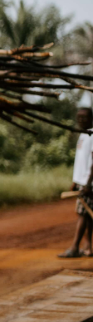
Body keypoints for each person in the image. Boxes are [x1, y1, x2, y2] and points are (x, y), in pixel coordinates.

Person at [60, 107, 93, 258]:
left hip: (89, 183)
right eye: (78, 117)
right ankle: (88, 247)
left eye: (84, 118)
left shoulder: (92, 135)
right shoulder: (83, 135)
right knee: (87, 215)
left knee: (82, 214)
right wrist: (75, 181)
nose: (81, 120)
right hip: (82, 182)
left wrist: (87, 184)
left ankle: (74, 247)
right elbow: (81, 161)